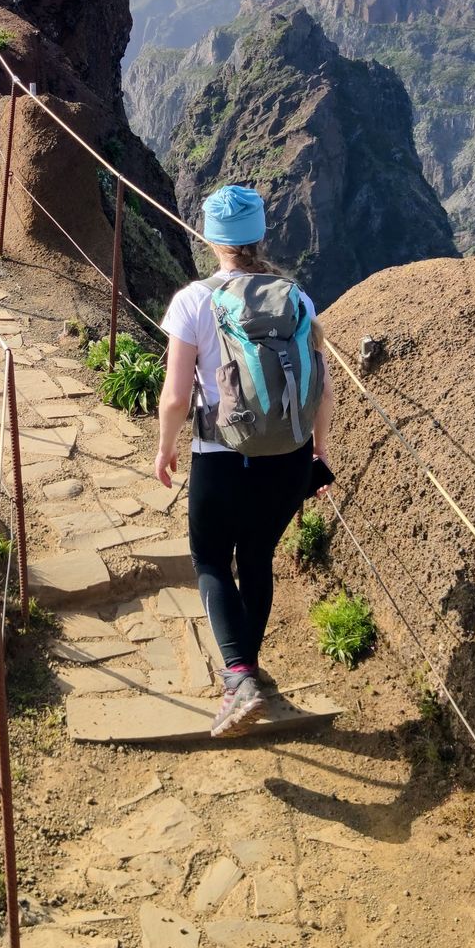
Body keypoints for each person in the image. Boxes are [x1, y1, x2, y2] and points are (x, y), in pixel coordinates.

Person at [154, 185, 334, 738]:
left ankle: (238, 678)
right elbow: (322, 388)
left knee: (210, 559)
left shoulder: (193, 301)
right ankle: (246, 672)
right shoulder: (297, 300)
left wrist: (165, 448)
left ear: (210, 239)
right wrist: (319, 452)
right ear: (259, 237)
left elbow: (178, 398)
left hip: (222, 457)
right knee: (257, 557)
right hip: (290, 457)